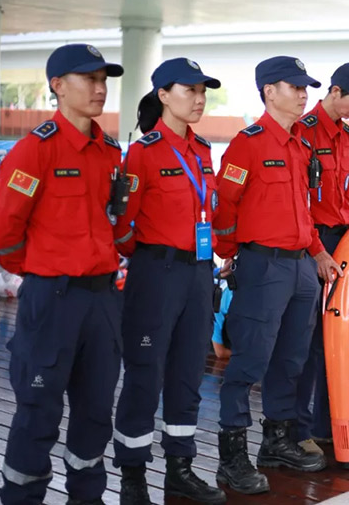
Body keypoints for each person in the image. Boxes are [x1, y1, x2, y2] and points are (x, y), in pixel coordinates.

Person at [0, 43, 124, 505]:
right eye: (89, 79)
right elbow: (3, 236)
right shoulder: (34, 151)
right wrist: (47, 270)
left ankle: (86, 497)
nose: (100, 88)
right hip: (53, 300)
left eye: (104, 80)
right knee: (38, 409)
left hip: (103, 301)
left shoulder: (109, 151)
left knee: (95, 412)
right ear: (58, 85)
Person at [213, 56, 339, 495]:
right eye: (295, 86)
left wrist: (319, 252)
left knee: (292, 358)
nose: (305, 94)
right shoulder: (247, 144)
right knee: (250, 361)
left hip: (302, 266)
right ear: (269, 91)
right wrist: (229, 252)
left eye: (306, 87)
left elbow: (303, 211)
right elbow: (224, 204)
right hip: (263, 265)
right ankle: (232, 456)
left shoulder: (300, 146)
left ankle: (277, 442)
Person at [111, 58, 226, 504]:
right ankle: (133, 476)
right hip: (155, 275)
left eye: (204, 92)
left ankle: (180, 467)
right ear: (163, 95)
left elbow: (207, 212)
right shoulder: (143, 151)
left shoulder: (202, 151)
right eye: (190, 90)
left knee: (187, 374)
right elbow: (123, 224)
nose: (199, 99)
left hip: (198, 273)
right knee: (144, 375)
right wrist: (149, 253)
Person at [295, 62, 349, 450]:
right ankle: (303, 427)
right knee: (309, 341)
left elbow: (344, 193)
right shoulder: (304, 132)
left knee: (341, 335)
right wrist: (316, 249)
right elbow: (301, 200)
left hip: (342, 241)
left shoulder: (346, 135)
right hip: (315, 244)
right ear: (334, 91)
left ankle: (329, 423)